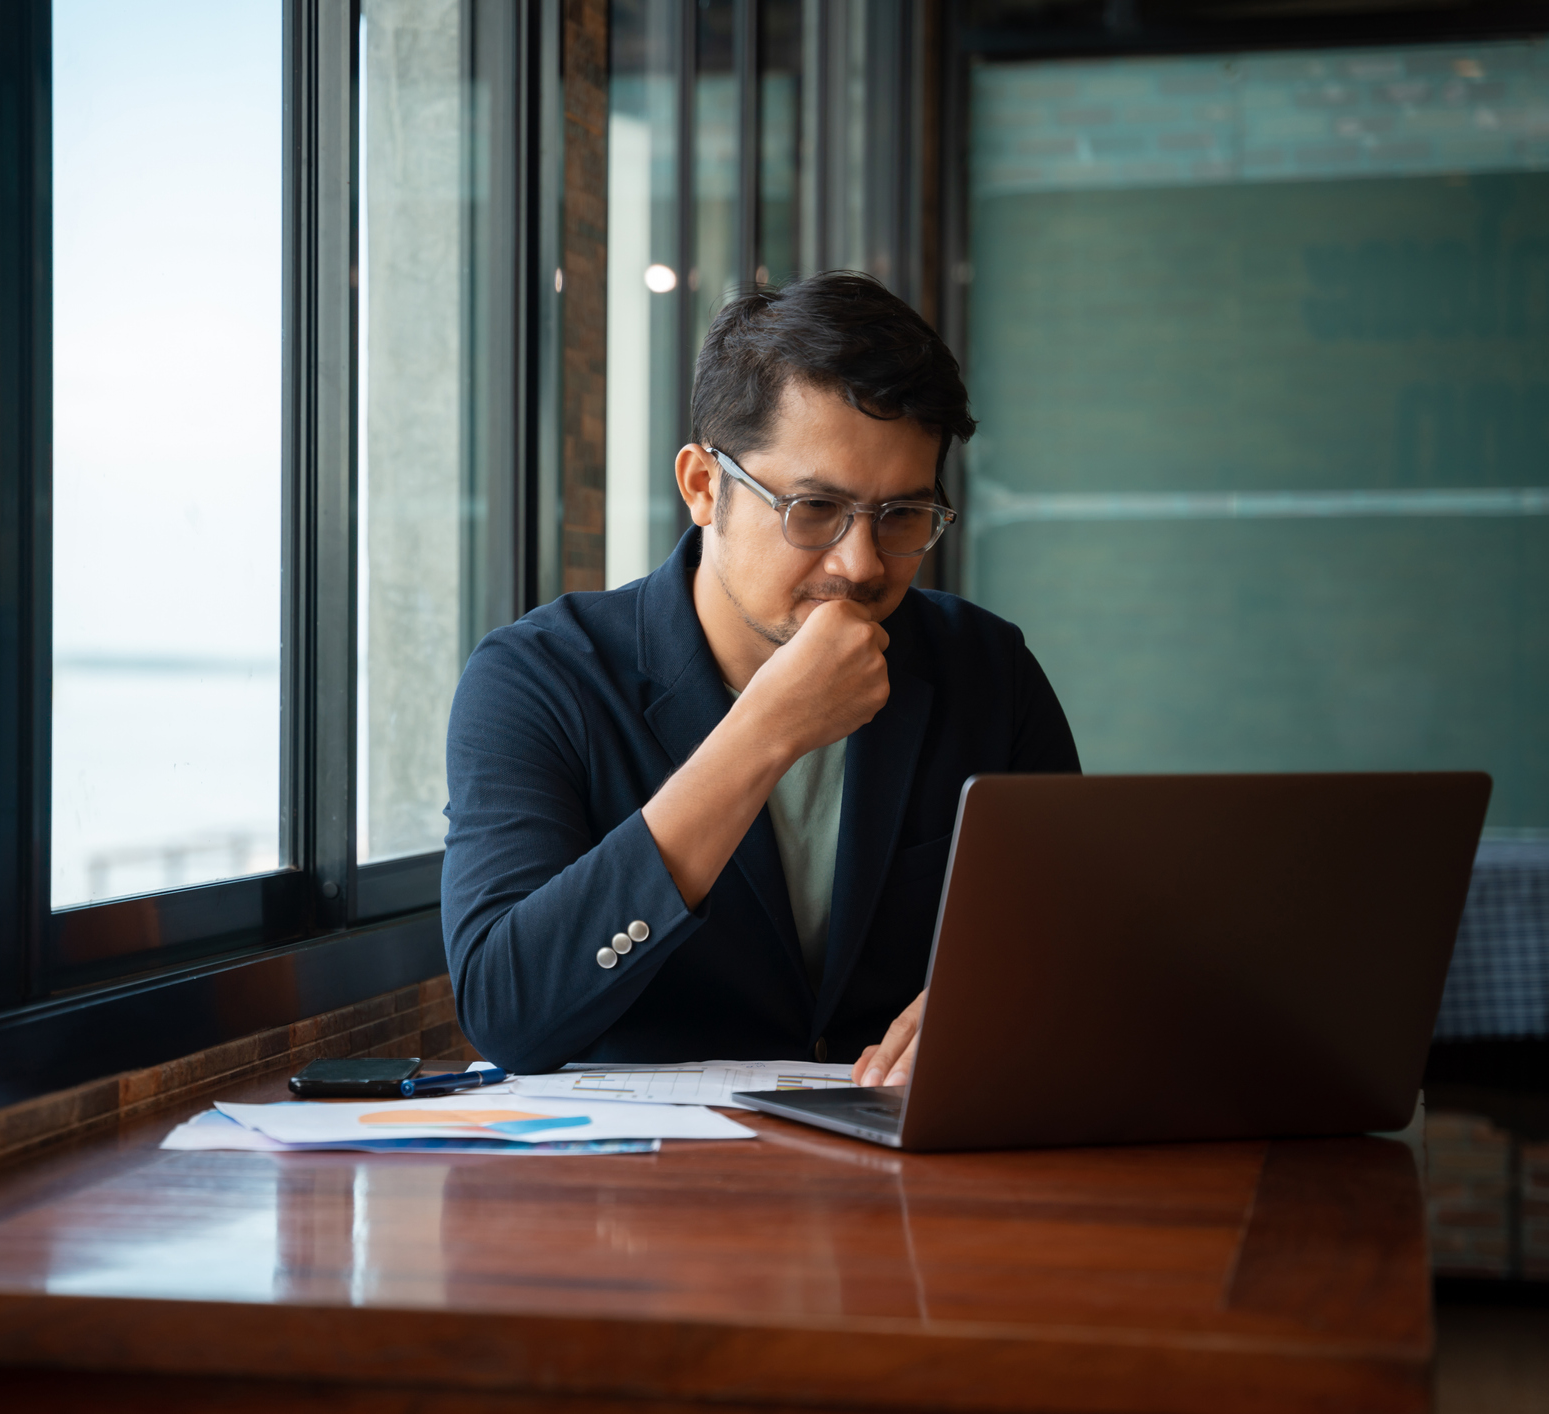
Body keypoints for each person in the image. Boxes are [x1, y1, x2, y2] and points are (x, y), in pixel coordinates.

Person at [441, 272, 1080, 1084]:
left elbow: (1069, 949)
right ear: (704, 487)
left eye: (903, 517)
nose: (860, 563)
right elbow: (507, 1014)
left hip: (912, 1178)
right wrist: (765, 731)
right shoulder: (541, 678)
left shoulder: (988, 672)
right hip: (639, 1190)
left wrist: (1001, 1004)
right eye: (814, 510)